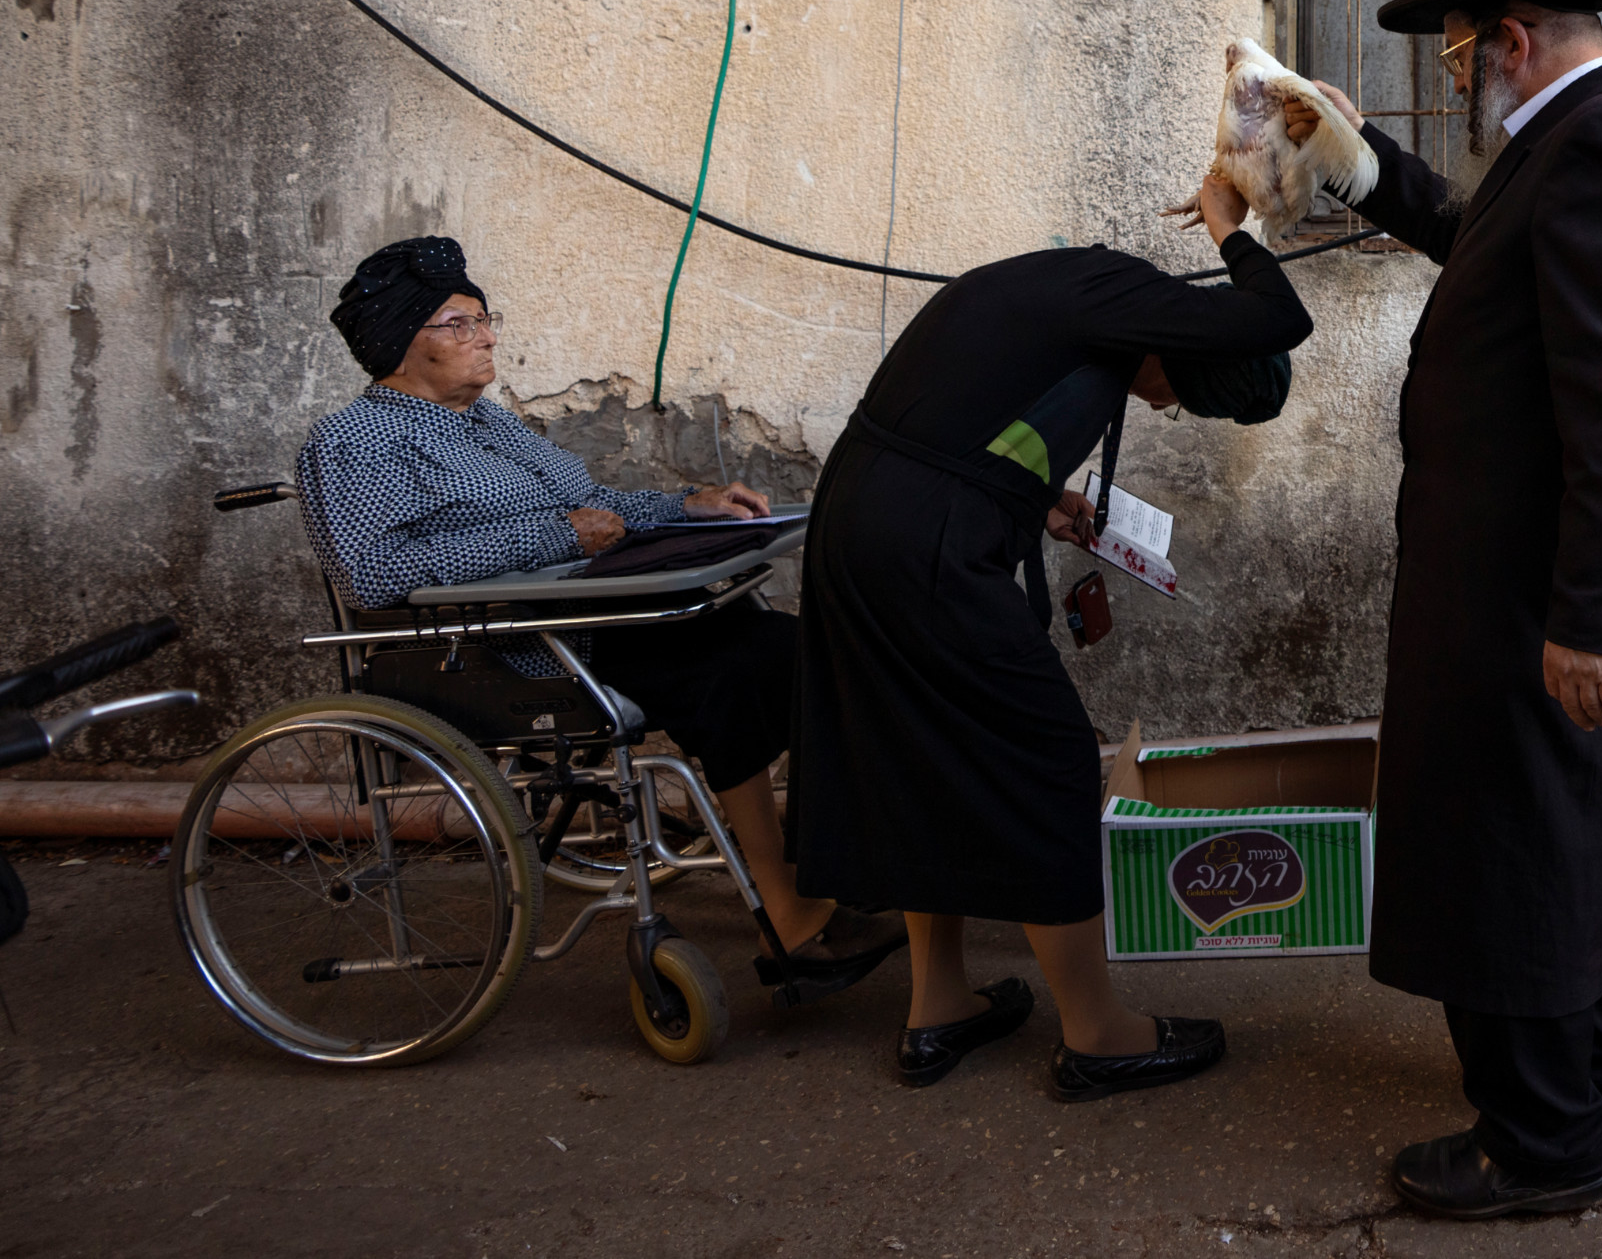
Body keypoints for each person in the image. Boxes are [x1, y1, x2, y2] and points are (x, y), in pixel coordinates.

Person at [1281, 0, 1602, 1217]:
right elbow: (1485, 244)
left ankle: (1541, 1138)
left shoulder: (1596, 154)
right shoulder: (1577, 141)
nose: (1456, 75)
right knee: (1571, 827)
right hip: (1536, 582)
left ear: (1513, 40)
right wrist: (1356, 161)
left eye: (1461, 53)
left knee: (1510, 845)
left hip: (1534, 591)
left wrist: (1583, 615)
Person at [792, 166, 1312, 1094]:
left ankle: (936, 1007)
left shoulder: (1072, 291)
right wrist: (1233, 227)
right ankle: (1100, 1031)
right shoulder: (1118, 304)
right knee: (1049, 760)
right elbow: (1278, 319)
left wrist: (1039, 501)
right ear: (1177, 353)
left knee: (923, 756)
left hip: (859, 521)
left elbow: (960, 416)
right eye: (1180, 395)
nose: (1163, 406)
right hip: (926, 552)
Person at [296, 235, 904, 1005]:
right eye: (460, 324)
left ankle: (815, 878)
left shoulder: (492, 423)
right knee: (727, 666)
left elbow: (592, 508)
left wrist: (688, 508)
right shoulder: (354, 443)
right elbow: (375, 572)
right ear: (401, 346)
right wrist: (553, 537)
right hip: (508, 652)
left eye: (486, 319)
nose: (486, 336)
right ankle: (787, 910)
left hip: (589, 615)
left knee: (794, 646)